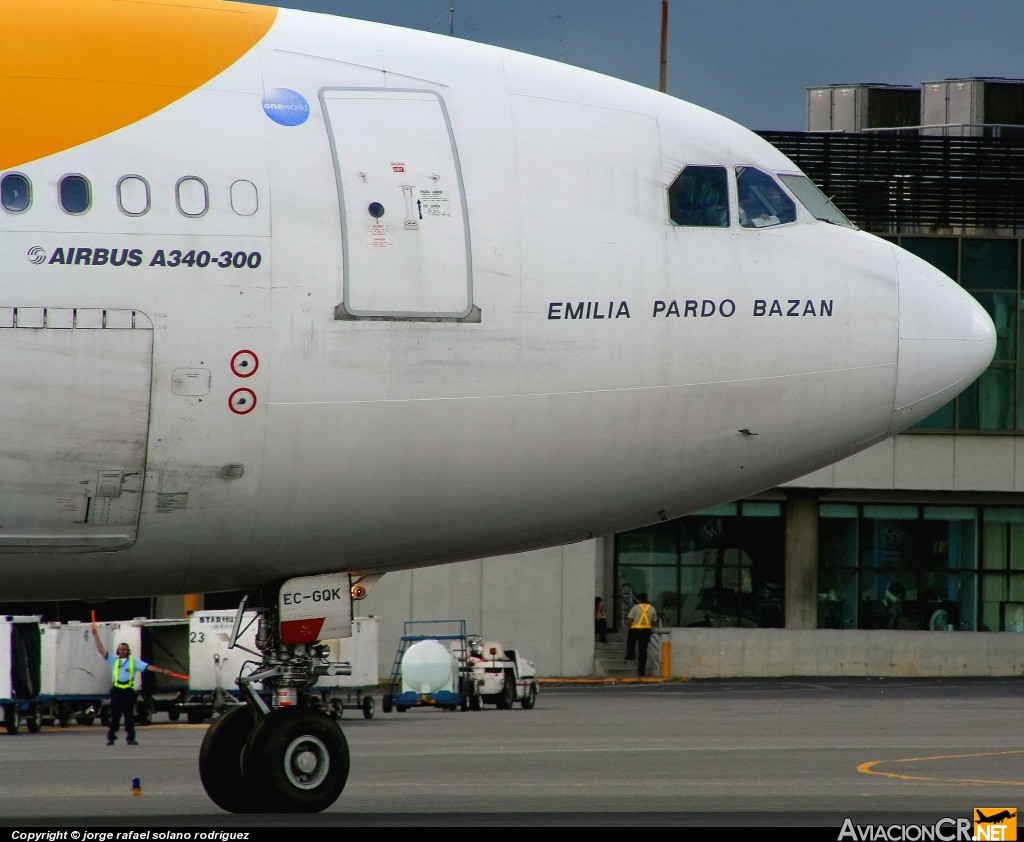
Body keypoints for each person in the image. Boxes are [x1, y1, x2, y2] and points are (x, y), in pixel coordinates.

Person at [93, 626, 172, 746]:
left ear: (127, 651)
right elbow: (101, 649)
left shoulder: (134, 662)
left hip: (128, 692)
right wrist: (95, 635)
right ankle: (111, 738)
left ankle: (130, 738)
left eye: (124, 649)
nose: (122, 651)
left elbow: (148, 667)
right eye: (120, 649)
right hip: (117, 692)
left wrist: (162, 671)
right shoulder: (114, 660)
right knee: (115, 716)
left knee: (129, 716)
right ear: (118, 651)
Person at [625, 593, 659, 677]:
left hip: (635, 629)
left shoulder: (635, 607)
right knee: (643, 650)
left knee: (631, 642)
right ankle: (641, 670)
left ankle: (630, 655)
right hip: (646, 631)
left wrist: (630, 627)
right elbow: (654, 621)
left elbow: (629, 620)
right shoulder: (652, 608)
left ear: (639, 599)